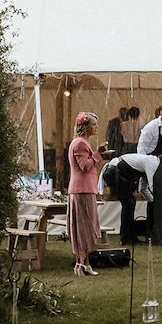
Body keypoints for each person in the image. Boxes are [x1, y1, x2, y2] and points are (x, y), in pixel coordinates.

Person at [67, 111, 104, 276]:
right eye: (94, 125)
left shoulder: (80, 142)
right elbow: (85, 166)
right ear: (86, 127)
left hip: (82, 189)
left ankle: (84, 263)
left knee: (82, 227)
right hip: (82, 190)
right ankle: (81, 263)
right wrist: (99, 154)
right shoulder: (80, 144)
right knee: (84, 227)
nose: (96, 128)